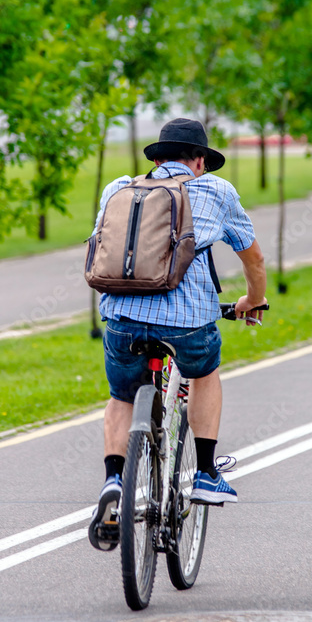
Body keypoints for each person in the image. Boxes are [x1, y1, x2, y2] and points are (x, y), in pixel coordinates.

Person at [88, 118, 267, 551]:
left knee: (123, 395)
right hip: (188, 320)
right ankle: (205, 471)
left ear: (157, 159)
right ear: (200, 161)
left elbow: (100, 243)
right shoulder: (216, 191)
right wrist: (252, 300)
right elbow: (254, 260)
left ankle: (115, 479)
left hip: (122, 316)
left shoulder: (119, 188)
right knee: (203, 371)